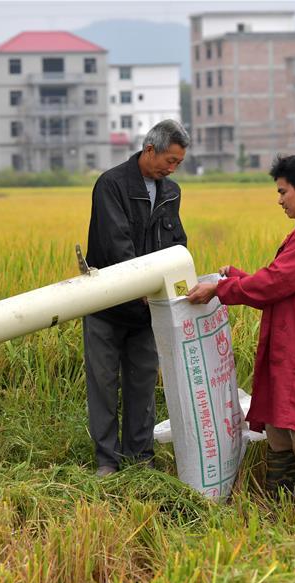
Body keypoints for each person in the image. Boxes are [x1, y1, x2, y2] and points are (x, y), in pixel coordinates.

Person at [186, 154, 295, 501]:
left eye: (283, 191)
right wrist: (237, 279)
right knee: (280, 431)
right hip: (291, 348)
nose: (280, 200)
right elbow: (279, 285)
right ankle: (282, 509)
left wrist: (221, 289)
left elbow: (275, 283)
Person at [83, 120, 190, 477]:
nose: (172, 169)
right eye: (170, 160)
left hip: (147, 311)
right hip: (107, 306)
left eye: (178, 163)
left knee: (142, 384)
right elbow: (116, 243)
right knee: (103, 385)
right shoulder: (112, 184)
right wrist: (142, 285)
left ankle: (140, 459)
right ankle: (107, 461)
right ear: (149, 150)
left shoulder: (171, 191)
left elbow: (176, 243)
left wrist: (174, 282)